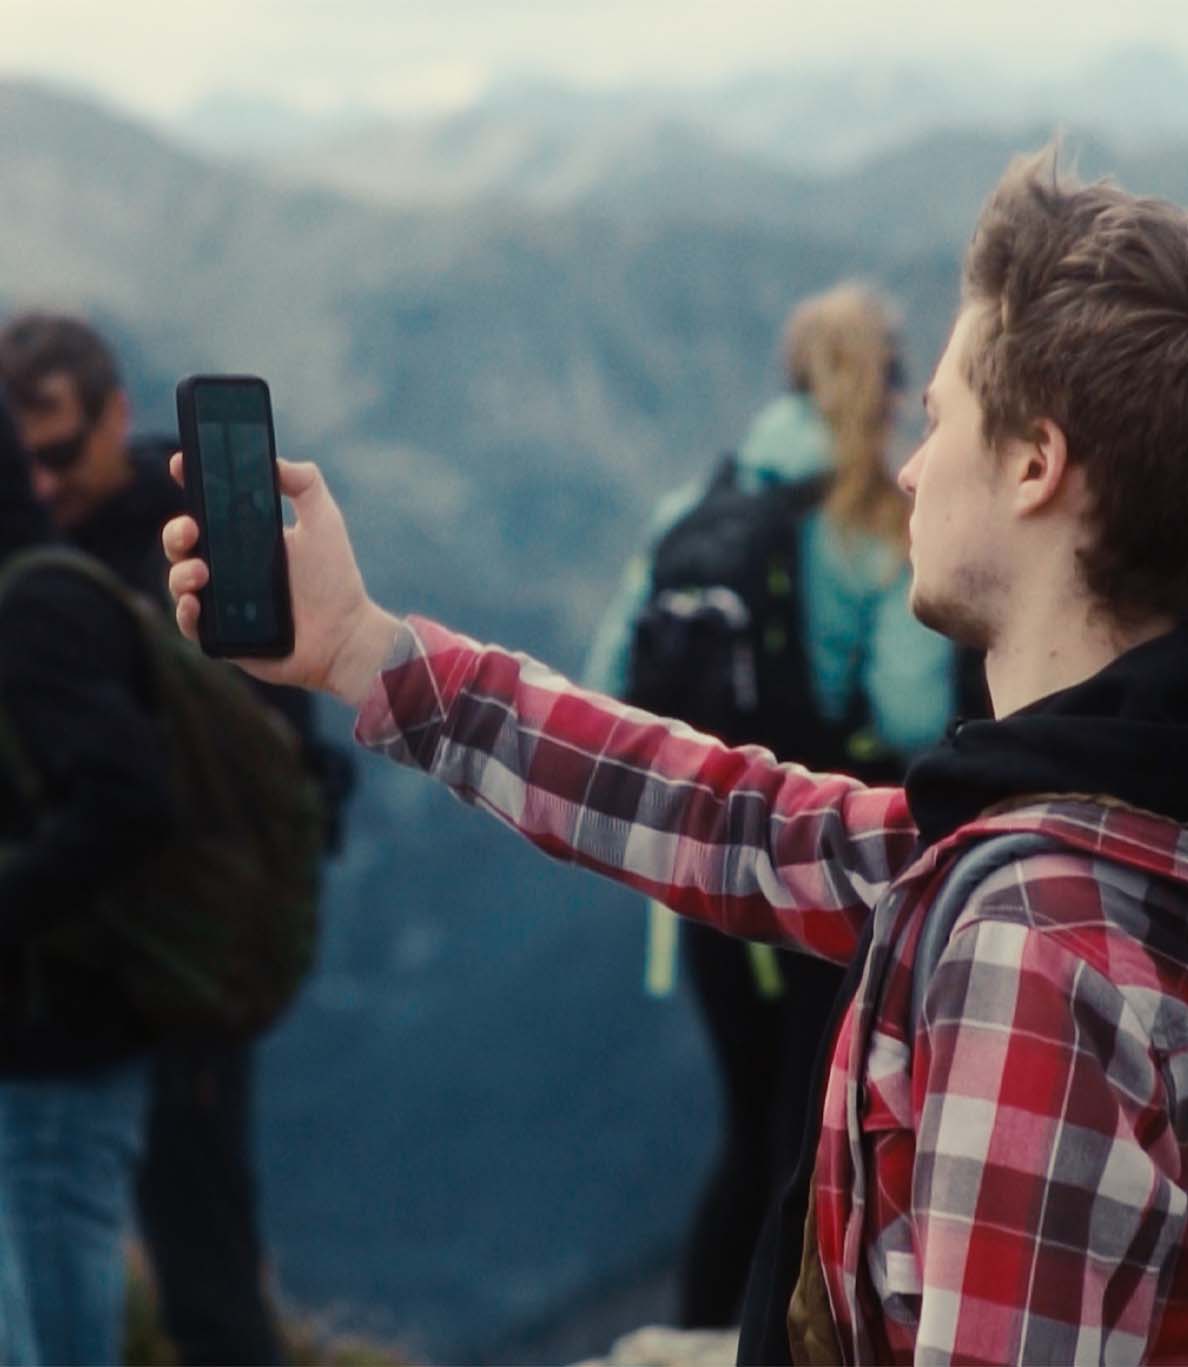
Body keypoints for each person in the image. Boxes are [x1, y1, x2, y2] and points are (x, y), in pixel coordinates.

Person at [166, 145, 1188, 1363]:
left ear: (1034, 463)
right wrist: (362, 649)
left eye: (938, 422)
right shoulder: (1099, 822)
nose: (907, 466)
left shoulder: (1034, 938)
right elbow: (741, 822)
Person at [585, 283, 956, 1327]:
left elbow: (609, 673)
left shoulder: (695, 504)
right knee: (807, 1142)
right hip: (820, 866)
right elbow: (910, 700)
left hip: (702, 879)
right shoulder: (876, 520)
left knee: (748, 1132)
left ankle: (695, 1333)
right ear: (884, 384)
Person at [0, 314, 352, 1366]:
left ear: (115, 412)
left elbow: (240, 761)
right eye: (28, 464)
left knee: (196, 1247)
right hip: (96, 957)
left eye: (63, 451)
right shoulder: (59, 549)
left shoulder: (190, 532)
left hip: (183, 949)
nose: (50, 482)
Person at [0, 390, 173, 1365]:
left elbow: (130, 803)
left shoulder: (38, 607)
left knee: (55, 1329)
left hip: (64, 1047)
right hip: (41, 1037)